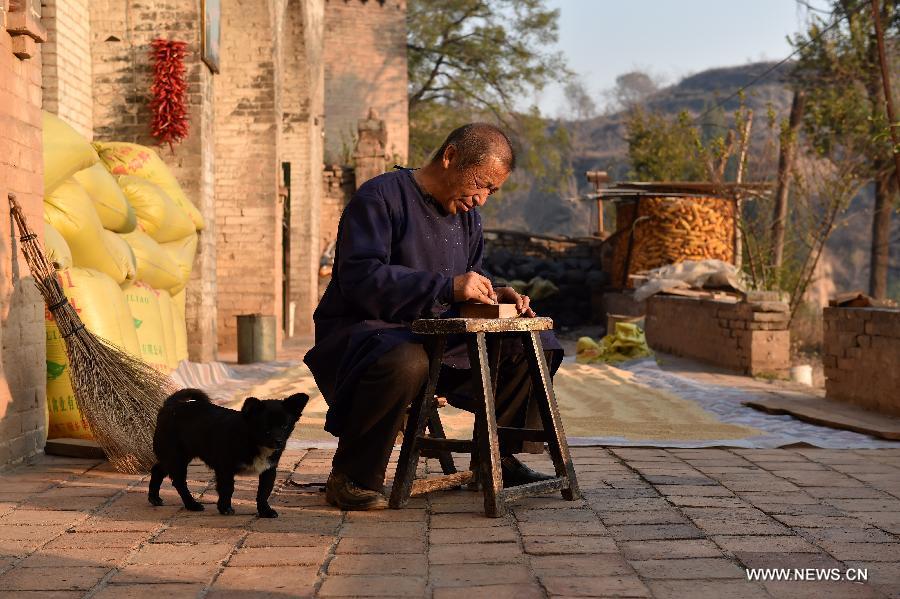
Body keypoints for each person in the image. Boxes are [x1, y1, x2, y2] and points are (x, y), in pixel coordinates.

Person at [304, 123, 563, 510]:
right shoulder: (380, 198)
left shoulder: (469, 219)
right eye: (481, 183)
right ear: (450, 157)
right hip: (370, 332)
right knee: (406, 362)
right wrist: (447, 288)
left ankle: (496, 456)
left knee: (534, 343)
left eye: (492, 191)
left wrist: (493, 296)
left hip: (441, 335)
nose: (482, 199)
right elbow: (360, 280)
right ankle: (352, 476)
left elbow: (466, 280)